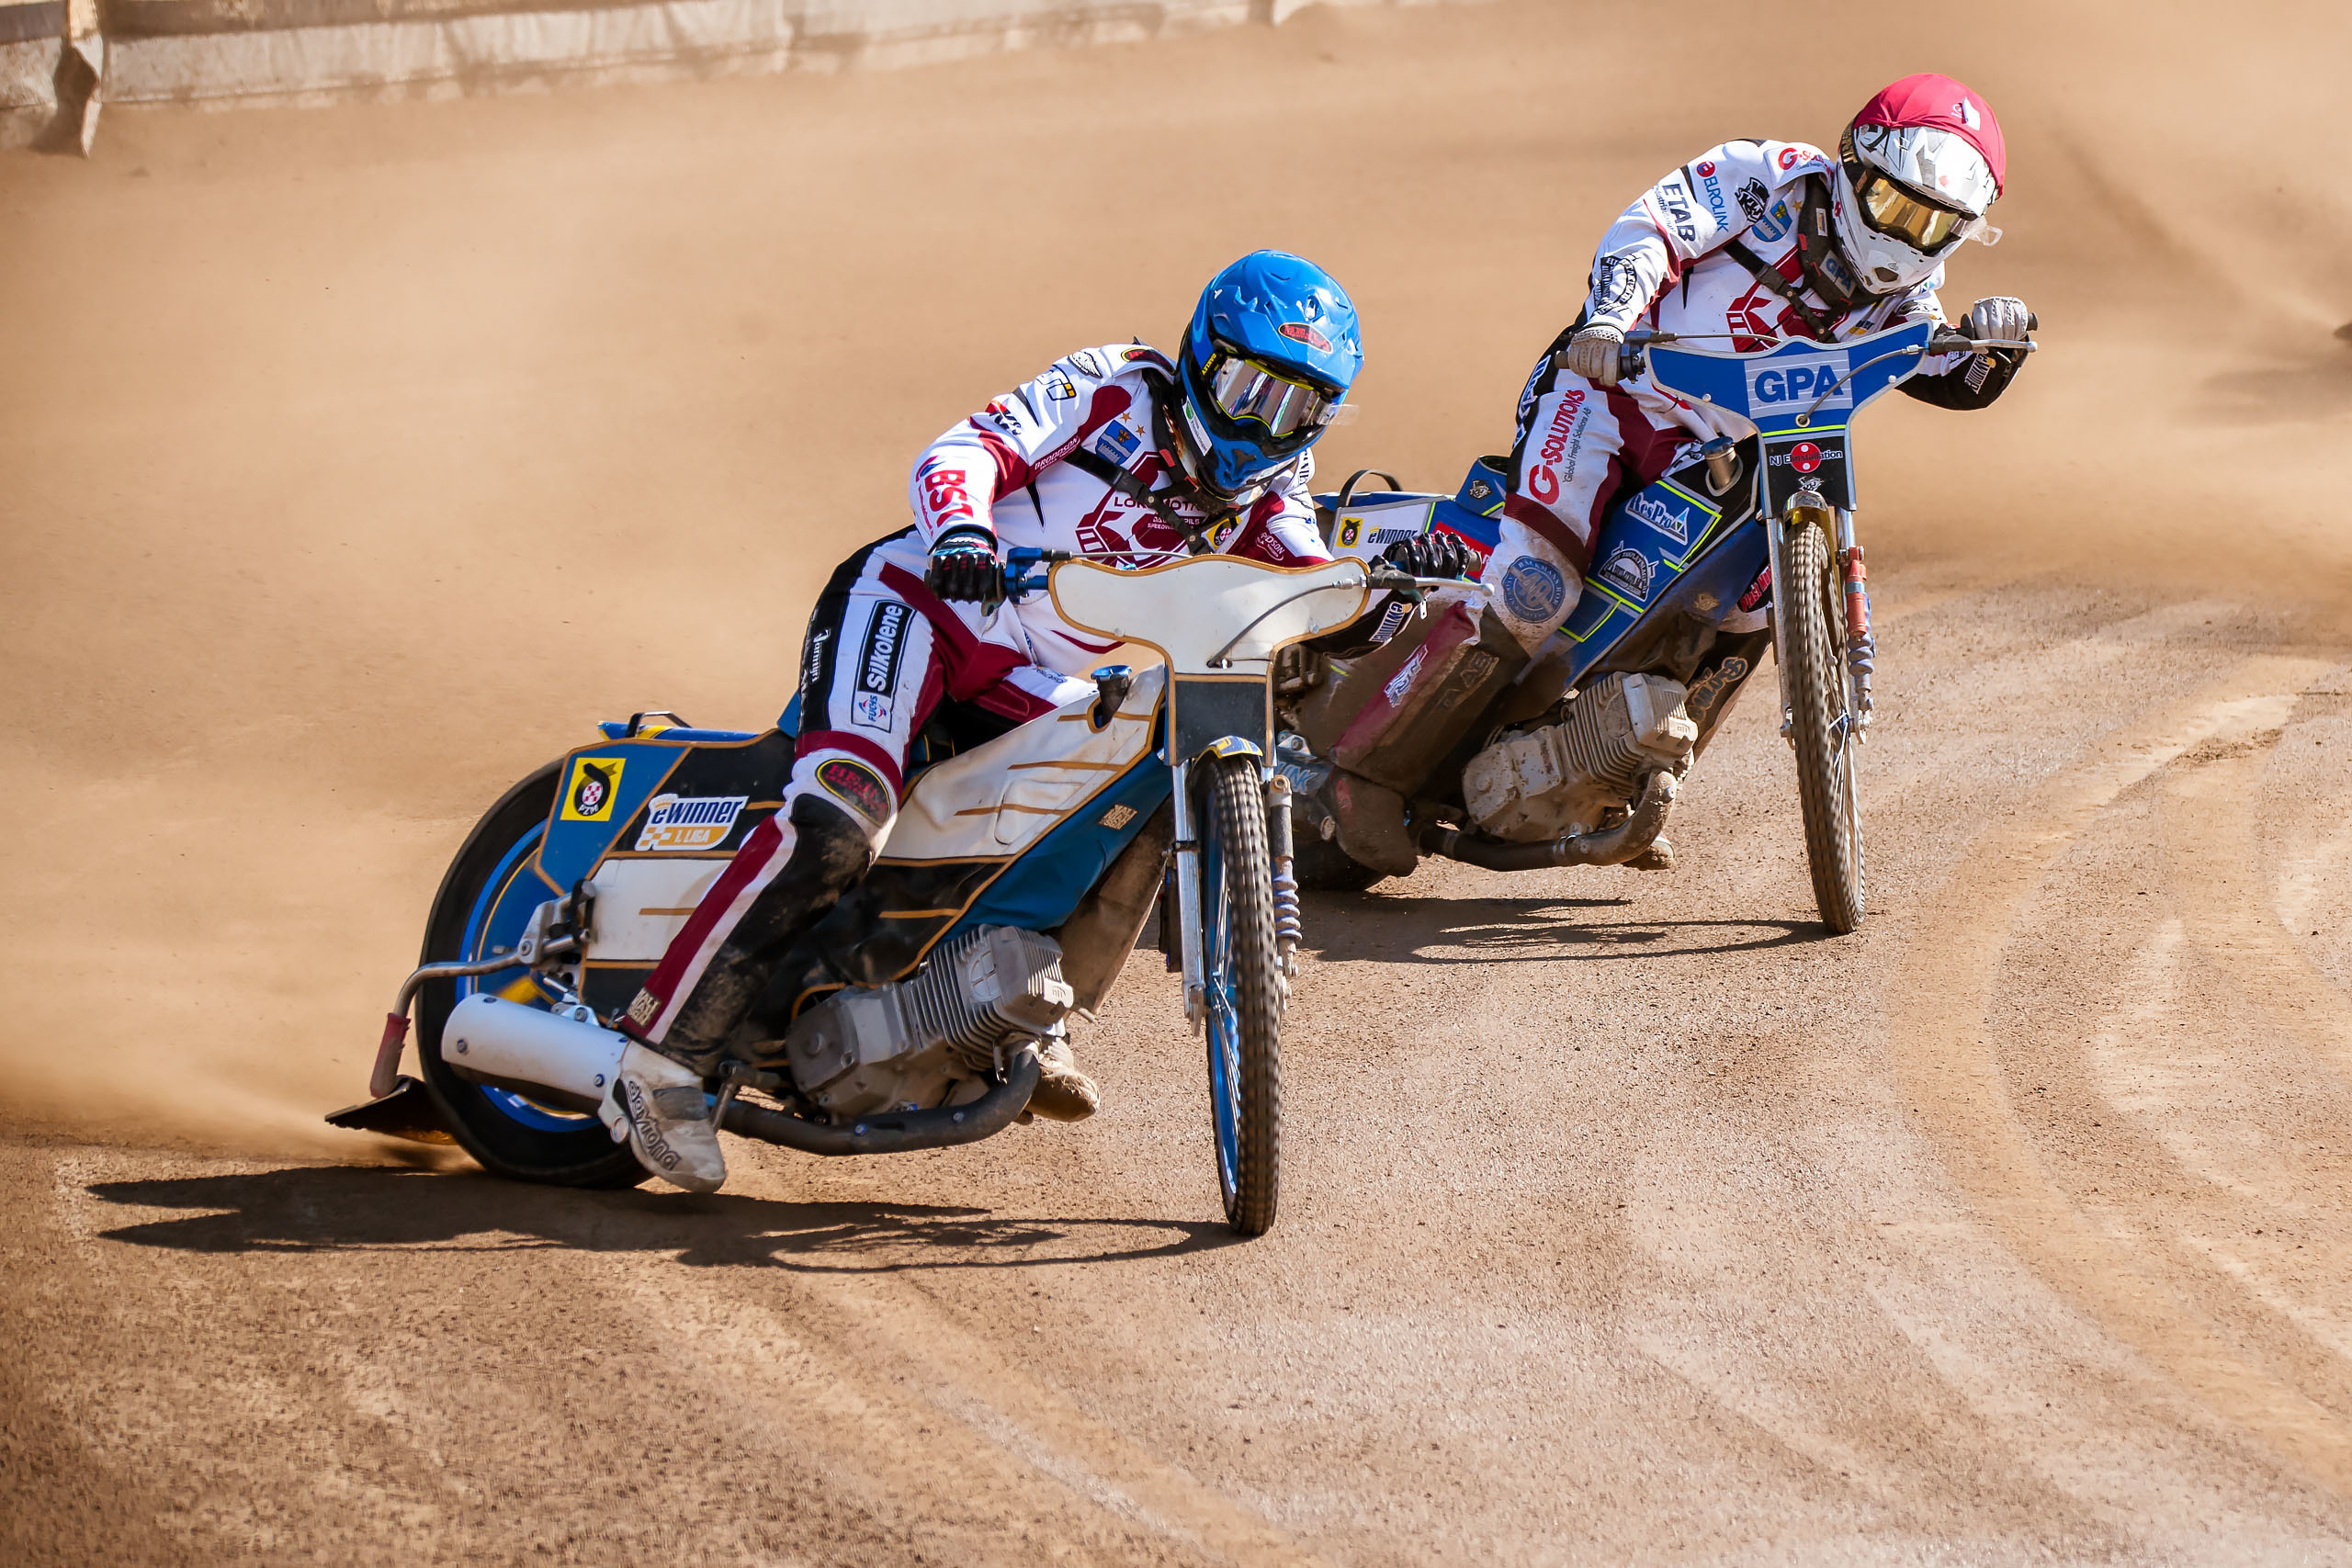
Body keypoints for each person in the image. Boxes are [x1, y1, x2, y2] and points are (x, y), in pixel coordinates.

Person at [601, 250, 1363, 1192]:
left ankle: (1018, 1016)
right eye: (1250, 389)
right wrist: (964, 531)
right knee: (840, 818)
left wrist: (1367, 602)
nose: (1264, 425)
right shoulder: (1114, 386)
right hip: (921, 607)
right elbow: (961, 451)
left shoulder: (1276, 481)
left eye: (1297, 409)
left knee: (1128, 792)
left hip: (1029, 680)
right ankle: (658, 1062)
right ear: (1202, 359)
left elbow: (1299, 569)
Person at [1328, 73, 2035, 874]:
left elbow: (1936, 369)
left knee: (1750, 610)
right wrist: (1608, 320)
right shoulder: (1764, 177)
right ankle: (1365, 779)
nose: (1908, 239)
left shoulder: (1912, 290)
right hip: (1611, 395)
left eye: (1937, 226)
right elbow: (1648, 230)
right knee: (1536, 586)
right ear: (1853, 165)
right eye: (1898, 208)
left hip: (1736, 457)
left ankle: (1623, 778)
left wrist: (1991, 346)